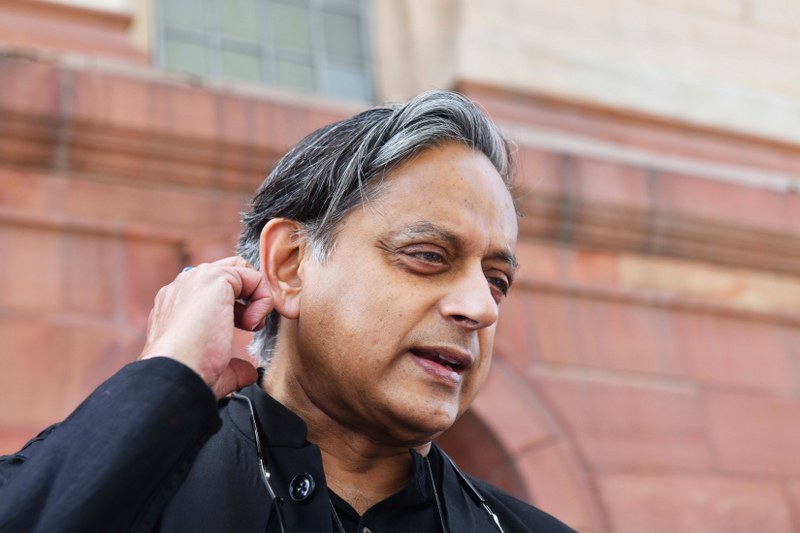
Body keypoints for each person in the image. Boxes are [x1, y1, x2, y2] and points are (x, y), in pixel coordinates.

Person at [0, 91, 575, 532]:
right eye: (428, 256)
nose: (480, 308)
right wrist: (168, 376)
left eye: (496, 281)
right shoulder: (138, 491)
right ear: (291, 264)